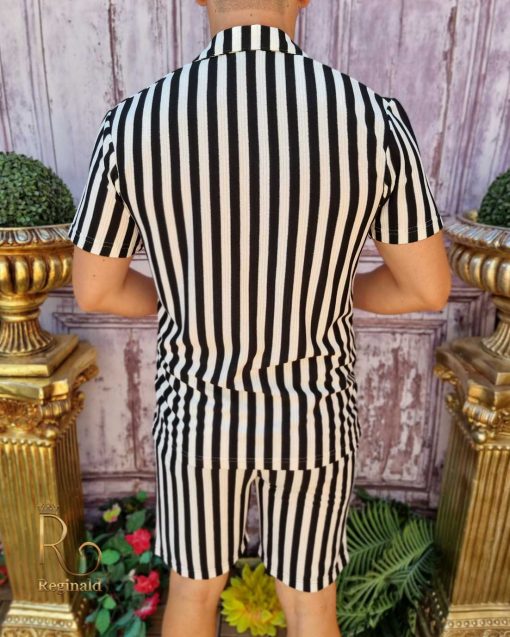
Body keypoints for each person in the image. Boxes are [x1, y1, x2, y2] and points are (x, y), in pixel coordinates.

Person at [67, 0, 452, 635]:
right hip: (314, 415)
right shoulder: (371, 119)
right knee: (308, 605)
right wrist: (340, 289)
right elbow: (427, 287)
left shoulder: (135, 123)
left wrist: (185, 295)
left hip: (198, 417)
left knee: (194, 595)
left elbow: (95, 289)